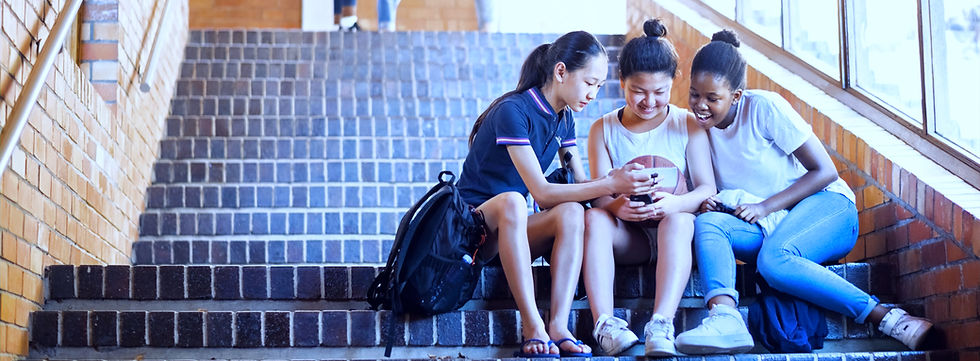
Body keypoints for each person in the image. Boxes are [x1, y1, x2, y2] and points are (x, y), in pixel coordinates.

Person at [674, 29, 934, 354]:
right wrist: (713, 203)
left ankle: (887, 318)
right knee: (708, 225)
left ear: (737, 95)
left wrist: (766, 206)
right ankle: (725, 318)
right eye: (694, 94)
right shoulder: (698, 132)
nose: (700, 105)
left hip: (827, 209)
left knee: (774, 260)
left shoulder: (764, 108)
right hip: (769, 226)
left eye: (712, 98)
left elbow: (824, 172)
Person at [457, 31, 655, 358]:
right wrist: (611, 183)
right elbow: (543, 193)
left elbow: (580, 185)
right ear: (561, 72)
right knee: (514, 201)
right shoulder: (513, 111)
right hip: (472, 231)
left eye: (599, 86)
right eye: (589, 83)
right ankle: (532, 324)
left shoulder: (565, 119)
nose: (593, 94)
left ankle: (558, 326)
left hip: (510, 231)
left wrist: (627, 193)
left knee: (572, 212)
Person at [582, 19, 716, 357]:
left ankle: (661, 324)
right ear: (621, 82)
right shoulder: (603, 129)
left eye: (660, 92)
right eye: (638, 91)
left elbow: (706, 188)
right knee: (594, 219)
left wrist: (675, 204)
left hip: (676, 233)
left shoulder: (687, 123)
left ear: (674, 83)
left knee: (682, 220)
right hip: (632, 238)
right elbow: (599, 193)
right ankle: (605, 325)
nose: (649, 101)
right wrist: (617, 208)